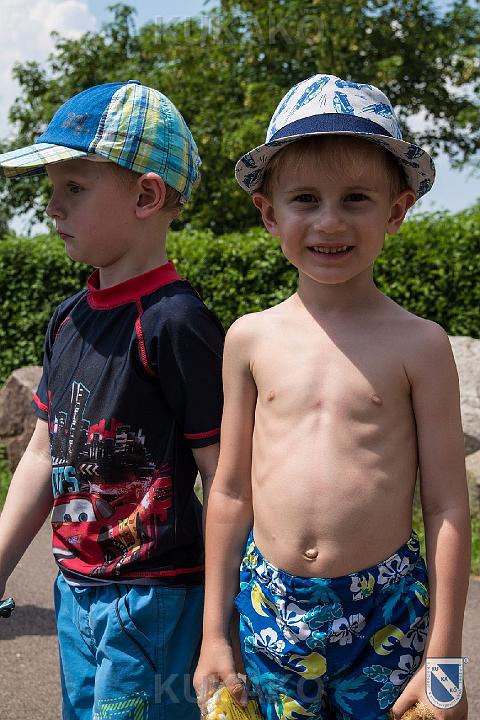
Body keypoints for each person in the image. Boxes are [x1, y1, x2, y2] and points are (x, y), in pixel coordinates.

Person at [194, 75, 470, 720]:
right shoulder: (249, 339)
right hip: (269, 609)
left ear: (396, 211)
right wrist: (213, 635)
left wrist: (445, 660)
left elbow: (447, 505)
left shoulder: (420, 345)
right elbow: (230, 493)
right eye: (305, 199)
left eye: (355, 198)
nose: (329, 221)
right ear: (269, 213)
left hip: (387, 614)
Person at [0, 80, 224, 720]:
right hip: (75, 589)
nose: (52, 207)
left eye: (74, 187)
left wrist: (226, 615)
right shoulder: (68, 318)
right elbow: (42, 453)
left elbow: (223, 476)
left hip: (156, 599)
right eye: (52, 189)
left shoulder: (176, 323)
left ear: (147, 196)